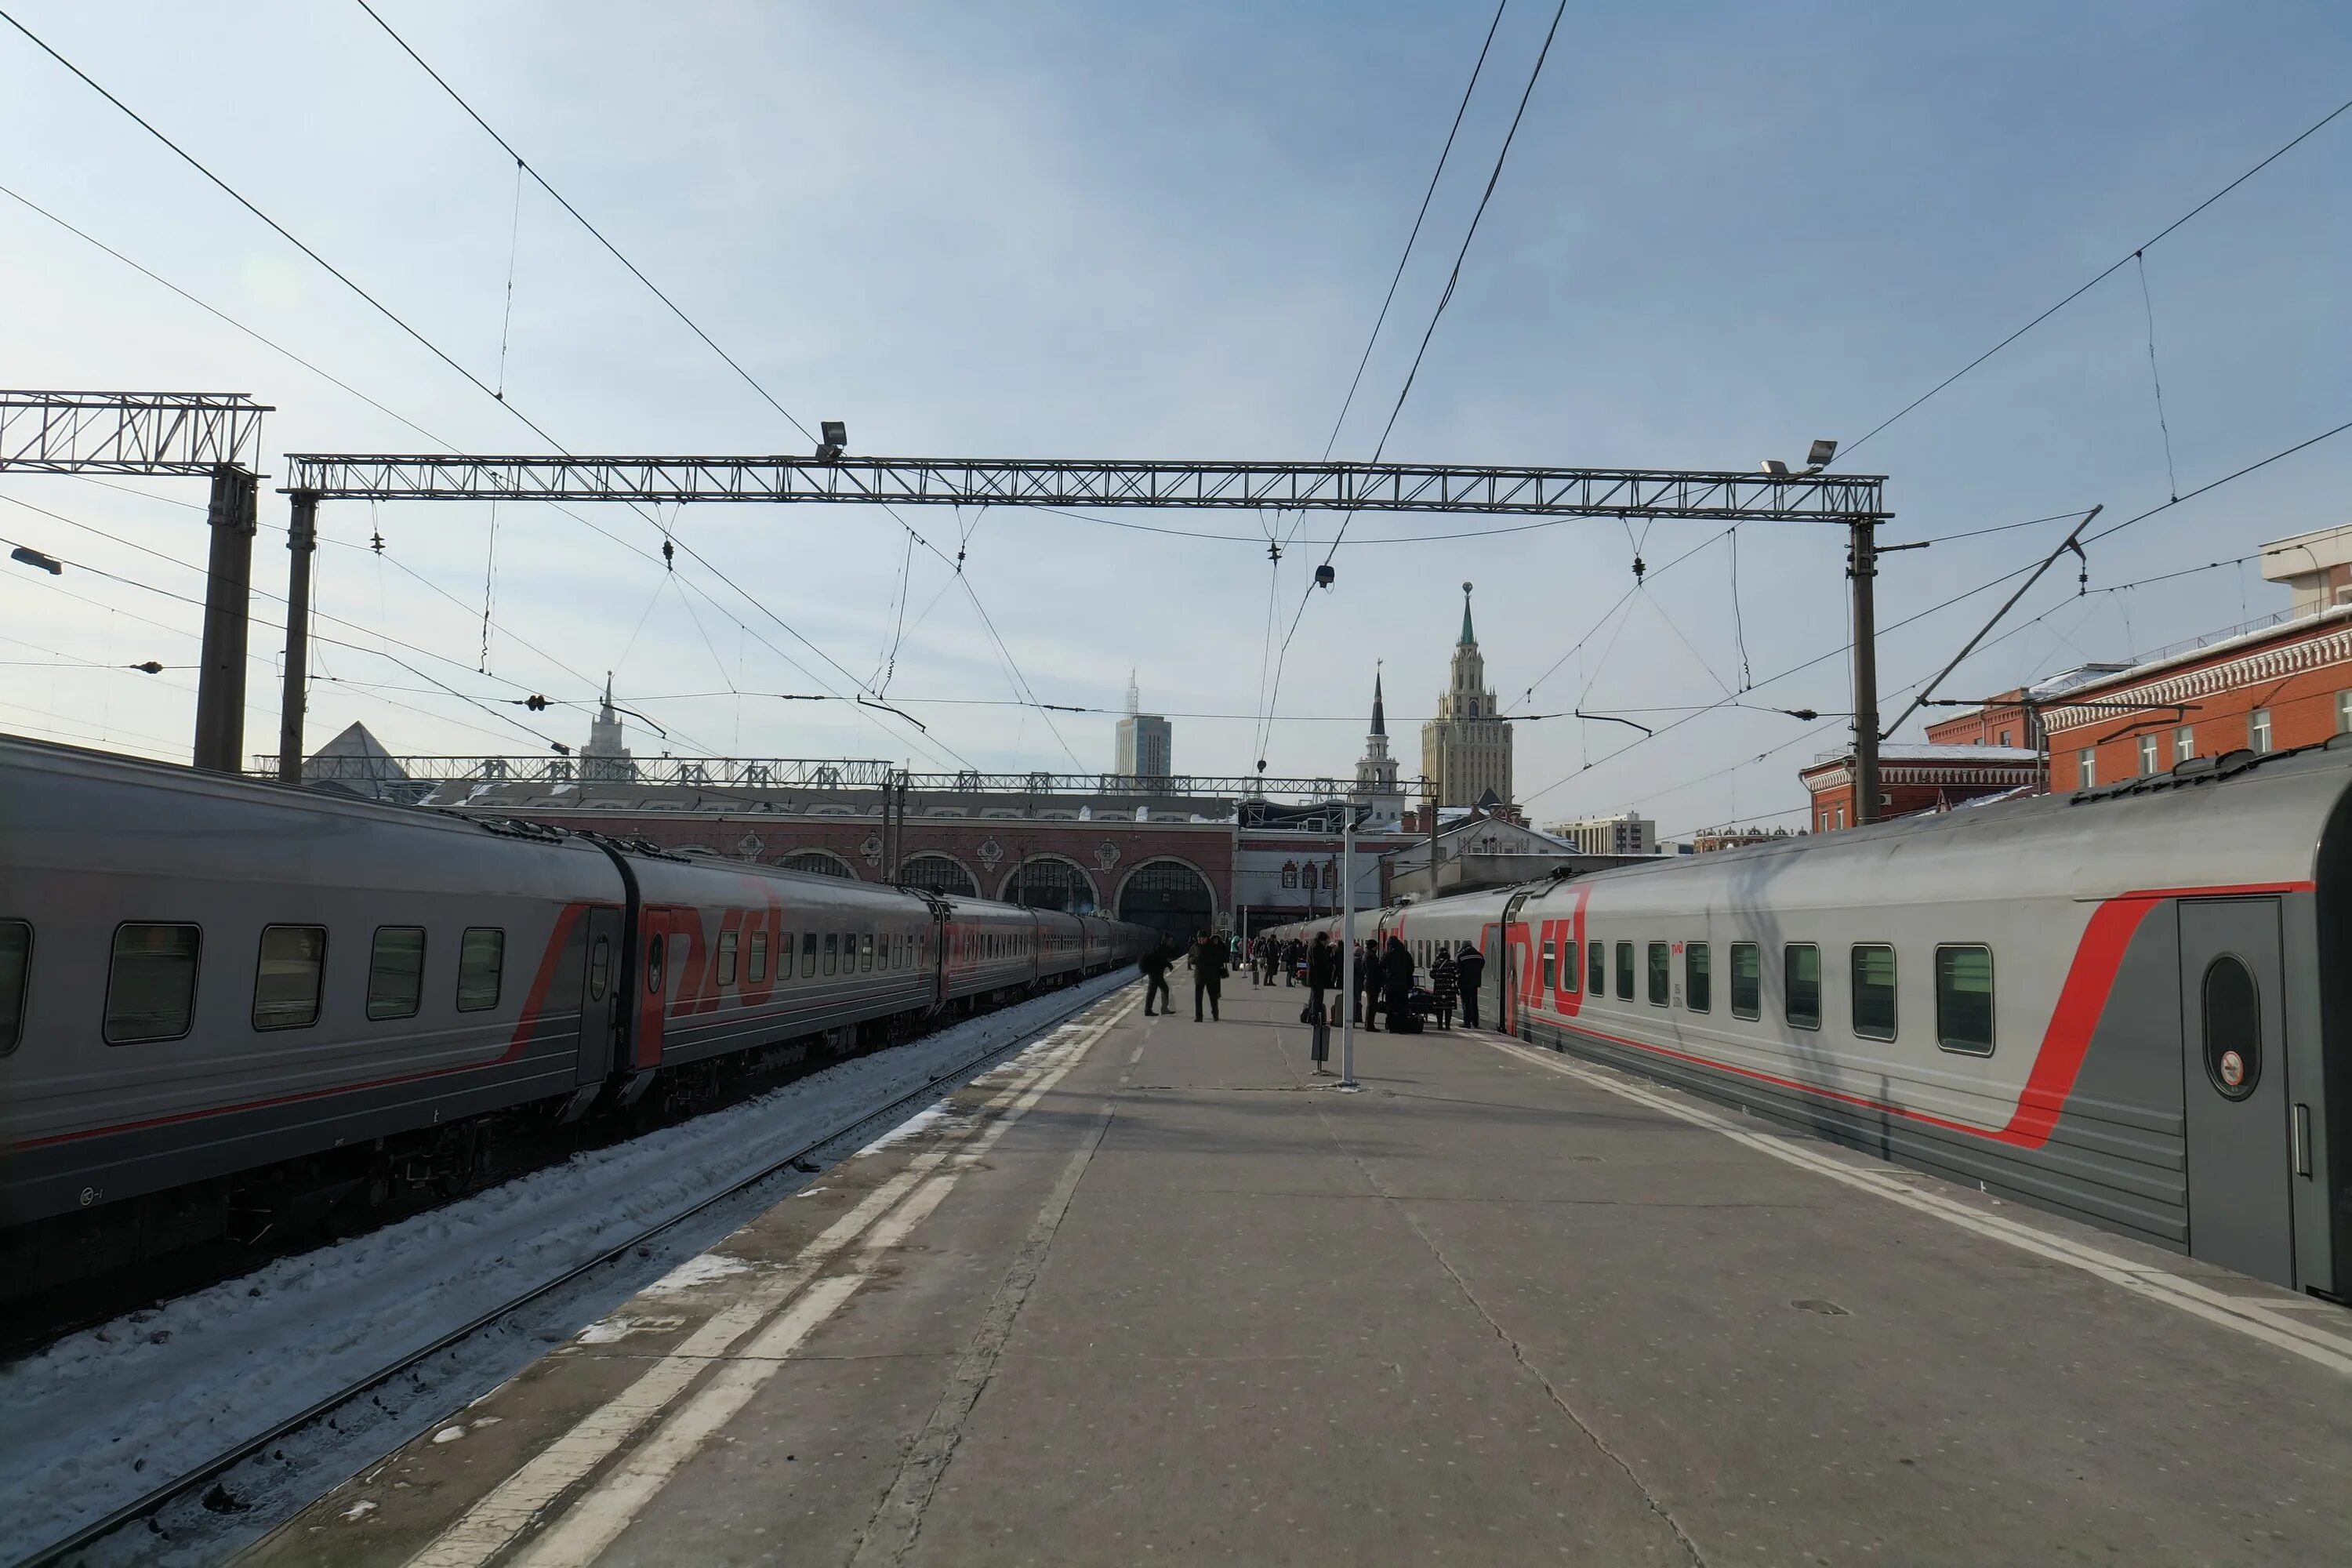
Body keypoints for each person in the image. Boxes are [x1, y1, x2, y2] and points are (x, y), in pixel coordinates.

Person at [1305, 931, 1340, 1072]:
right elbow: (1319, 964)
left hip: (1314, 979)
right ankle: (1313, 1017)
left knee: (1314, 998)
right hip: (1317, 979)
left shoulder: (1313, 946)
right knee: (1317, 999)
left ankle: (1311, 1016)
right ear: (1323, 940)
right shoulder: (1317, 948)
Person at [1189, 929, 1227, 1022]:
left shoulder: (1213, 947)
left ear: (1206, 938)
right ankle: (1198, 1017)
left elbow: (1220, 957)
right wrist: (1194, 960)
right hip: (1199, 976)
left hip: (1210, 975)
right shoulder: (1195, 947)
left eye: (1202, 938)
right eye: (1199, 938)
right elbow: (1190, 957)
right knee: (1198, 998)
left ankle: (1215, 1015)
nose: (1200, 940)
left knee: (1213, 997)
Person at [1381, 936, 1414, 1031]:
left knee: (1390, 1007)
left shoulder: (1387, 954)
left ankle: (1390, 1026)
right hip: (1403, 986)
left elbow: (1381, 965)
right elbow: (1411, 968)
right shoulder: (1406, 954)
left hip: (1390, 986)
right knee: (1402, 1007)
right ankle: (1402, 1027)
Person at [1454, 941, 1486, 1029]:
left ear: (1463, 947)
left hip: (1464, 983)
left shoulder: (1461, 956)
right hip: (1475, 983)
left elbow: (1458, 970)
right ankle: (1475, 1022)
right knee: (1474, 1003)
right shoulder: (1479, 955)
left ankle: (1467, 1023)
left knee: (1466, 1003)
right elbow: (1482, 965)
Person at [1140, 940, 1174, 1017]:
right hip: (1155, 973)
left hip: (1154, 973)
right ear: (1166, 940)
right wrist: (1168, 964)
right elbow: (1161, 960)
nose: (1170, 942)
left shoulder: (1160, 948)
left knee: (1152, 991)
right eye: (1169, 940)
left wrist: (1168, 964)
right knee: (1164, 989)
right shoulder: (1161, 949)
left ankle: (1149, 1010)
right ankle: (1162, 1009)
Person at [1430, 946, 1459, 1030]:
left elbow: (1432, 975)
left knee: (1439, 1008)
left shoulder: (1436, 963)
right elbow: (1456, 975)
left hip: (1439, 989)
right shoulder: (1453, 964)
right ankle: (1447, 1025)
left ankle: (1439, 1025)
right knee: (1448, 1008)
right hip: (1450, 989)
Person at [1359, 938, 1384, 1029]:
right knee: (1372, 1005)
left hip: (1370, 983)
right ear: (1373, 947)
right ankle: (1369, 1025)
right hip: (1372, 984)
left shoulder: (1367, 955)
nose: (1377, 948)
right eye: (1376, 946)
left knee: (1372, 1005)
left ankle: (1369, 1024)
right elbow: (1373, 972)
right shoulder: (1370, 957)